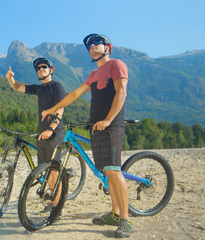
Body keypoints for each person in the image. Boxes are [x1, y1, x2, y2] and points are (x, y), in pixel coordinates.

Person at [41, 34, 133, 238]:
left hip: (111, 126)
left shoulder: (117, 64)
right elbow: (74, 94)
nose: (91, 47)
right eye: (89, 46)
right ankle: (115, 213)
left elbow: (121, 93)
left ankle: (125, 220)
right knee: (107, 172)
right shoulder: (94, 74)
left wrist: (108, 120)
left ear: (108, 46)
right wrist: (53, 108)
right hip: (97, 127)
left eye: (96, 43)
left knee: (114, 170)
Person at [5, 57, 66, 214]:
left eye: (44, 67)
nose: (41, 69)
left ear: (51, 69)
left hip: (54, 131)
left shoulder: (56, 86)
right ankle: (54, 201)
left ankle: (57, 208)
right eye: (38, 68)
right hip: (41, 132)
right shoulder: (39, 89)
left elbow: (60, 109)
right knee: (45, 169)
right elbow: (18, 87)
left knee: (53, 170)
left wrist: (51, 129)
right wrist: (11, 79)